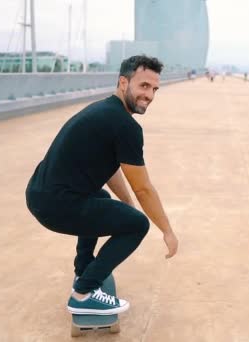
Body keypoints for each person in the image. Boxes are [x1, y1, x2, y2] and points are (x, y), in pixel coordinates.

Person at [25, 55, 178, 316]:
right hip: (57, 205)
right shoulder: (125, 125)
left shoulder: (104, 111)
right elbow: (144, 188)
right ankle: (84, 293)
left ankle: (84, 267)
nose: (150, 95)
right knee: (138, 225)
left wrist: (127, 205)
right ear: (123, 82)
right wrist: (167, 231)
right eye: (143, 86)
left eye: (154, 89)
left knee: (100, 195)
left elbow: (108, 168)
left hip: (40, 194)